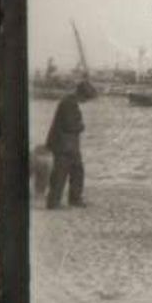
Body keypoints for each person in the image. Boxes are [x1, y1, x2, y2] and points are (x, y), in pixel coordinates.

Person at [44, 79, 95, 209]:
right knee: (61, 173)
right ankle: (54, 203)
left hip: (67, 145)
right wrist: (81, 126)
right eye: (86, 99)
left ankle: (74, 199)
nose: (86, 102)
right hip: (63, 145)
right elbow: (71, 125)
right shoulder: (69, 104)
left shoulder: (69, 102)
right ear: (82, 95)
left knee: (76, 171)